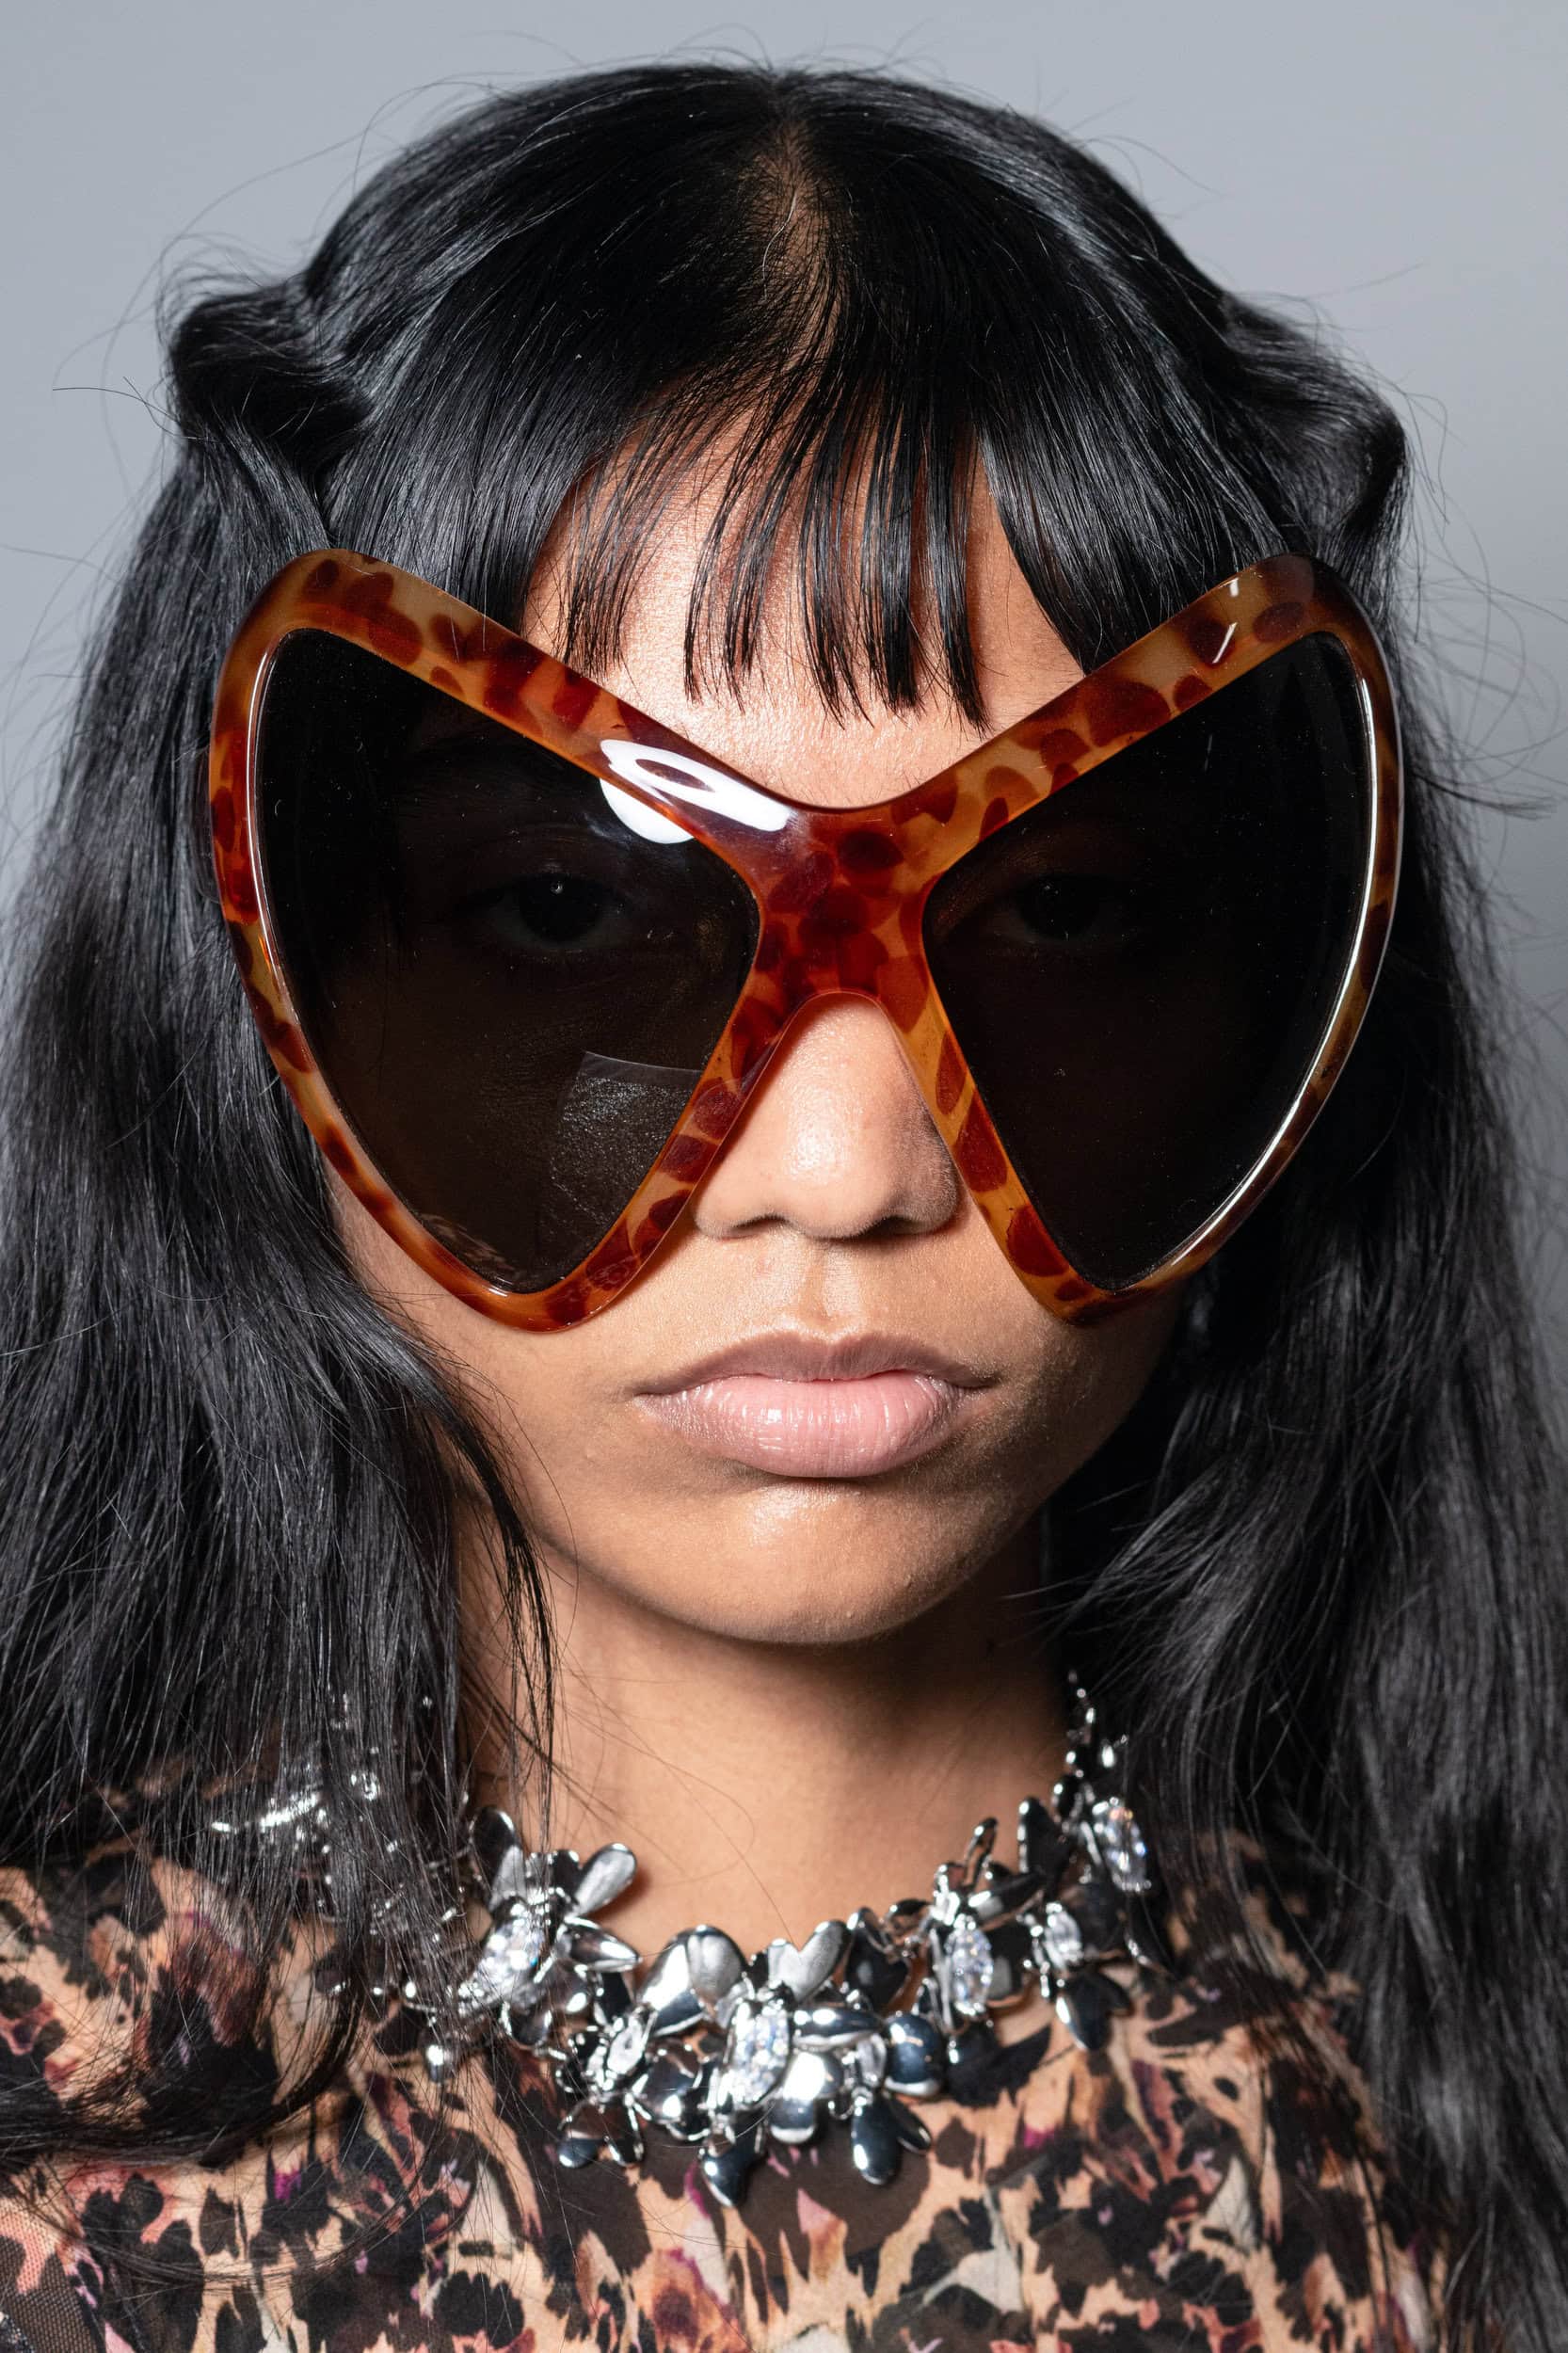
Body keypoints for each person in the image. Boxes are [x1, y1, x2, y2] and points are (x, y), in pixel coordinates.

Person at [0, 59, 1560, 2353]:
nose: (840, 1170)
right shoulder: (54, 2141)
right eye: (567, 908)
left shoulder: (1471, 2112)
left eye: (1058, 908)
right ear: (247, 963)